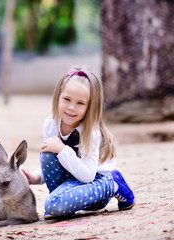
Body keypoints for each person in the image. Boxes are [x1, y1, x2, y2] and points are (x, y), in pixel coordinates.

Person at [22, 66, 135, 219]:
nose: (71, 108)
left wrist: (62, 149)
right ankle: (61, 204)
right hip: (71, 180)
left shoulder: (91, 132)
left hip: (94, 181)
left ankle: (114, 183)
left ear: (90, 107)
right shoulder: (51, 124)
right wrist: (36, 177)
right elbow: (52, 163)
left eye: (80, 103)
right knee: (48, 152)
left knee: (52, 204)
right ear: (58, 97)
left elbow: (87, 176)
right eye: (66, 99)